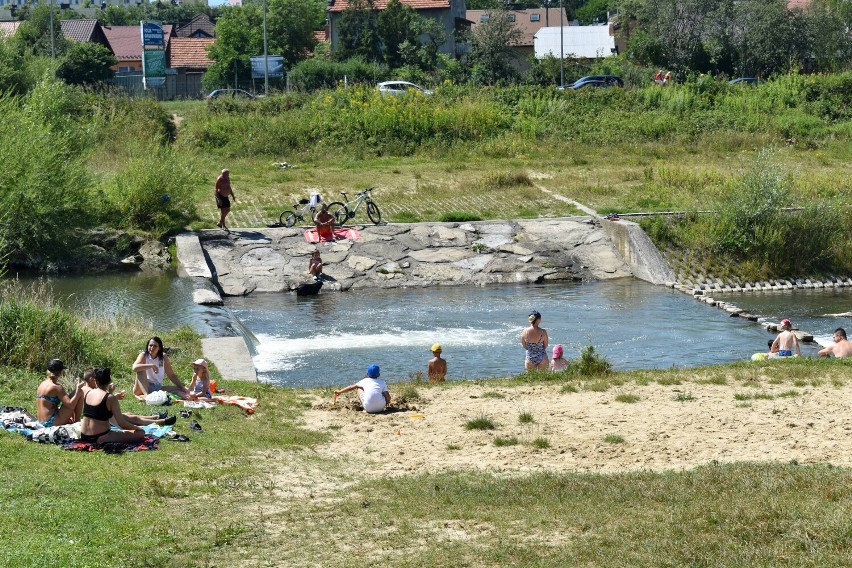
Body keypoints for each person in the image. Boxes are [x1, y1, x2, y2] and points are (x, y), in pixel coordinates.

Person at [82, 368, 176, 426]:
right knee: (132, 419)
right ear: (92, 380)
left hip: (102, 416)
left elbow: (102, 402)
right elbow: (102, 403)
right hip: (102, 419)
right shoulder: (89, 390)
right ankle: (159, 421)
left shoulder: (90, 390)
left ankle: (155, 417)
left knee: (129, 414)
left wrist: (112, 395)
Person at [80, 368, 146, 445]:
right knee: (140, 433)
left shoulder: (88, 393)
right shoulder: (110, 398)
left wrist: (110, 392)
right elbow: (122, 423)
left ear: (96, 381)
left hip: (84, 436)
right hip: (100, 437)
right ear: (109, 382)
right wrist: (138, 428)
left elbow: (98, 410)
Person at [36, 359, 85, 427]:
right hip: (51, 422)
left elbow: (49, 405)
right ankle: (77, 422)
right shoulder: (57, 387)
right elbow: (70, 405)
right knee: (80, 392)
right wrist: (78, 389)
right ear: (60, 372)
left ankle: (75, 421)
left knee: (74, 395)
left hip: (41, 421)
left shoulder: (42, 384)